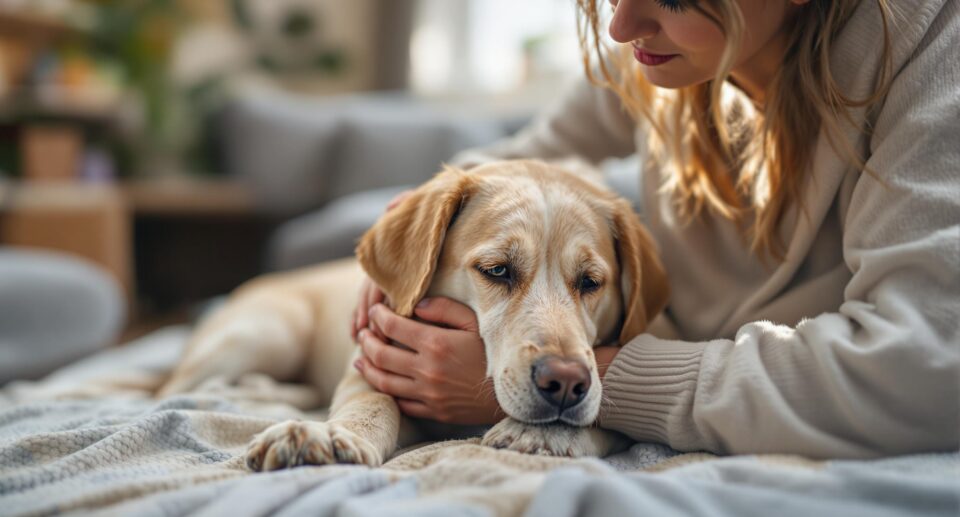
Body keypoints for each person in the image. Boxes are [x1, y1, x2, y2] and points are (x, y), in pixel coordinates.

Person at [350, 0, 960, 458]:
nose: (621, 27)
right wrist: (406, 233)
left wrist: (606, 384)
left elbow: (922, 369)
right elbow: (523, 162)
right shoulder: (660, 52)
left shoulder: (934, 59)